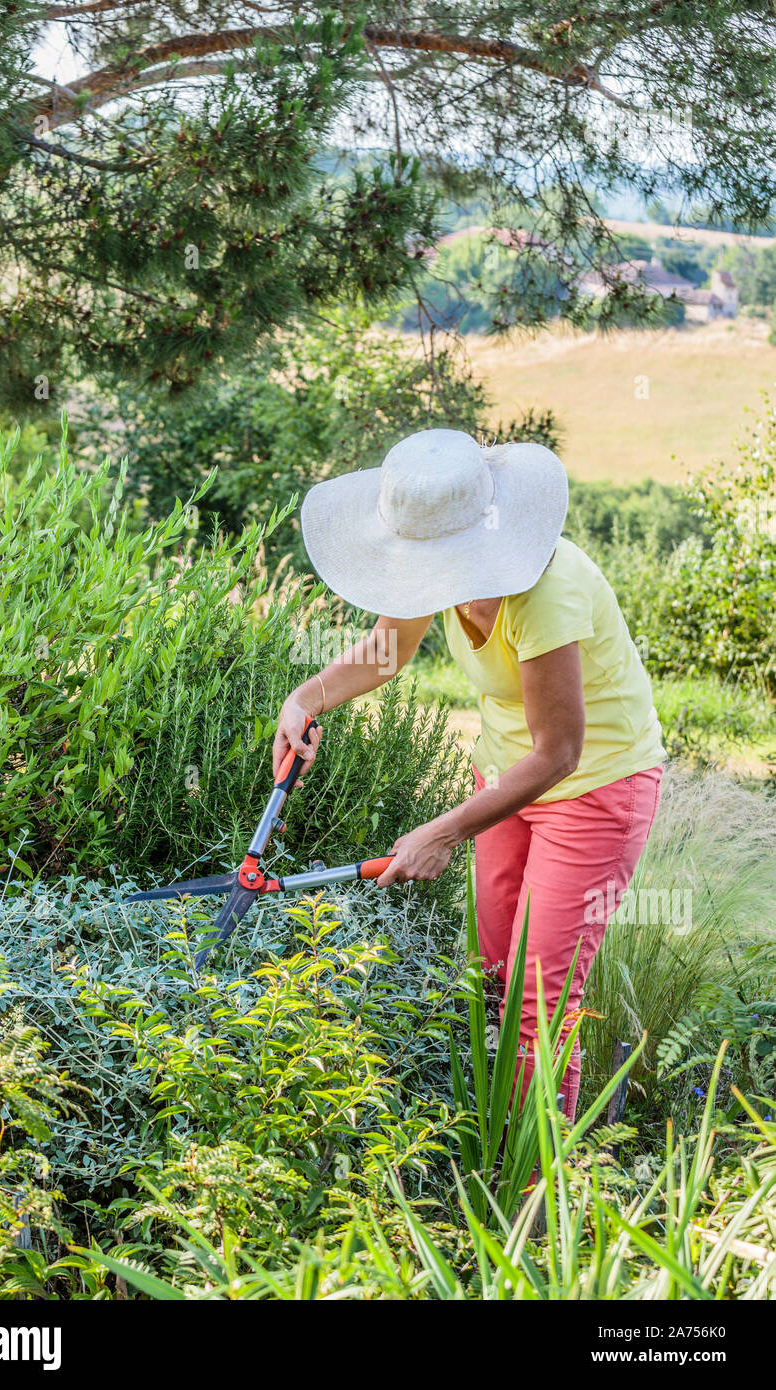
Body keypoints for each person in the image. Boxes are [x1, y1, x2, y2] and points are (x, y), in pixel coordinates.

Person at [274, 429, 664, 1118]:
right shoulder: (445, 571)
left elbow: (559, 753)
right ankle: (502, 1139)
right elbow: (387, 648)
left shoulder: (543, 590)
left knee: (538, 996)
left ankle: (540, 1196)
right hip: (509, 784)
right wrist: (304, 700)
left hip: (594, 785)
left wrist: (444, 832)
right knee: (493, 980)